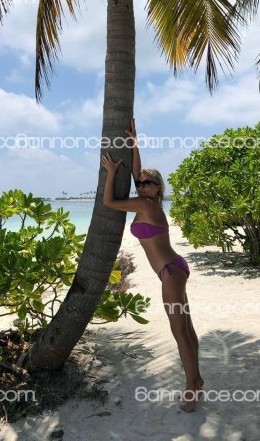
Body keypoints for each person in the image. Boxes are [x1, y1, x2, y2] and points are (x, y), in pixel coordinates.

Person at [101, 118, 203, 413]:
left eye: (148, 183)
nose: (141, 185)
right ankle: (197, 379)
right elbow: (137, 171)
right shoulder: (150, 203)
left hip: (170, 272)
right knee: (187, 327)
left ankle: (192, 387)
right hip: (174, 268)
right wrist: (135, 143)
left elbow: (109, 202)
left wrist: (111, 172)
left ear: (158, 188)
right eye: (141, 183)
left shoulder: (145, 204)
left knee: (179, 331)